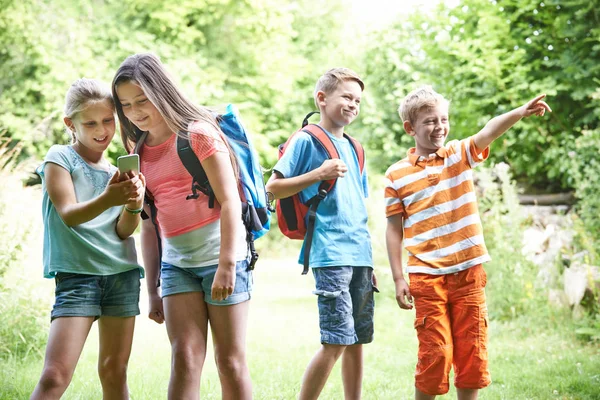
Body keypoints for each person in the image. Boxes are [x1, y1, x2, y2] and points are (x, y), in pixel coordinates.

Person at [384, 86, 551, 400]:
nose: (440, 127)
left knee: (472, 351)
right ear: (410, 128)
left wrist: (520, 112)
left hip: (468, 274)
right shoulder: (396, 175)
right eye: (430, 121)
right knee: (435, 353)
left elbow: (489, 130)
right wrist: (397, 277)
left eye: (443, 119)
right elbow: (393, 229)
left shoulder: (459, 154)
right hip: (426, 277)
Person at [112, 53, 252, 400]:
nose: (135, 112)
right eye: (126, 105)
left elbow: (231, 201)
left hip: (222, 259)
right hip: (177, 266)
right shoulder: (137, 150)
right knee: (185, 358)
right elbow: (148, 225)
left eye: (142, 100)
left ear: (162, 91)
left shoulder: (199, 135)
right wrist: (154, 288)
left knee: (229, 362)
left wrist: (226, 265)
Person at [31, 78, 145, 400]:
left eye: (108, 120)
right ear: (71, 124)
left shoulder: (115, 173)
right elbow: (68, 213)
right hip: (78, 276)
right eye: (91, 122)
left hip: (121, 275)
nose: (102, 130)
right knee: (55, 375)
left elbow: (122, 231)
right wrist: (111, 198)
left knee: (113, 371)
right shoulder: (60, 158)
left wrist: (134, 204)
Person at [266, 68, 376, 400]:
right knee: (336, 339)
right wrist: (319, 173)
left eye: (357, 100)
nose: (353, 104)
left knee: (356, 341)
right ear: (322, 98)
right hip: (330, 253)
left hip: (361, 253)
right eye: (346, 96)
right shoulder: (305, 140)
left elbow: (357, 201)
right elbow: (272, 189)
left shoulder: (356, 148)